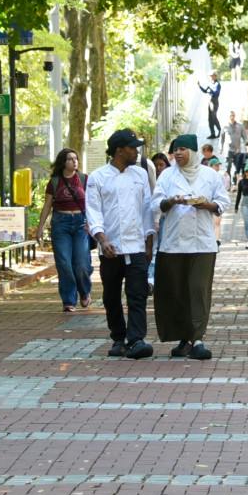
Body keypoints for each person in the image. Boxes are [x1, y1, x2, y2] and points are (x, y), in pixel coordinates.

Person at [153, 134, 229, 361]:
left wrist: (207, 205)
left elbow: (222, 203)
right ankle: (183, 338)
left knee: (198, 289)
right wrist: (172, 201)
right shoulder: (167, 175)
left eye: (183, 149)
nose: (178, 153)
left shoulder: (210, 175)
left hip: (202, 243)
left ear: (194, 152)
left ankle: (198, 338)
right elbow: (156, 204)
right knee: (177, 292)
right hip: (173, 243)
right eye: (175, 150)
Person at [85, 128, 158, 359]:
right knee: (111, 296)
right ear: (119, 150)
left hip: (136, 246)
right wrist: (102, 239)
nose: (137, 151)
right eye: (132, 147)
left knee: (137, 294)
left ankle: (136, 339)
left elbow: (147, 208)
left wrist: (149, 241)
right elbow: (93, 211)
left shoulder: (140, 175)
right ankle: (118, 337)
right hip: (111, 249)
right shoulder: (98, 177)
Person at [35, 149, 93, 313]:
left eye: (76, 158)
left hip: (81, 224)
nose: (74, 162)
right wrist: (40, 228)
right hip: (61, 224)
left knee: (81, 263)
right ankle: (68, 300)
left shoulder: (84, 179)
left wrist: (93, 223)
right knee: (64, 263)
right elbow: (47, 206)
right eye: (70, 159)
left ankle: (84, 291)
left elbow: (92, 203)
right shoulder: (54, 182)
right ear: (63, 162)